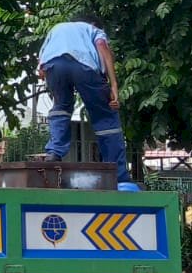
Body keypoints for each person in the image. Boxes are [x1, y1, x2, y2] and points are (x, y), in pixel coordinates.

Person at [36, 16, 131, 186]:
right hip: (84, 65)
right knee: (105, 117)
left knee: (61, 108)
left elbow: (41, 64)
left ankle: (54, 153)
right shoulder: (94, 30)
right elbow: (102, 48)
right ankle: (119, 175)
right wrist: (114, 85)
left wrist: (46, 73)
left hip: (54, 65)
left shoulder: (57, 28)